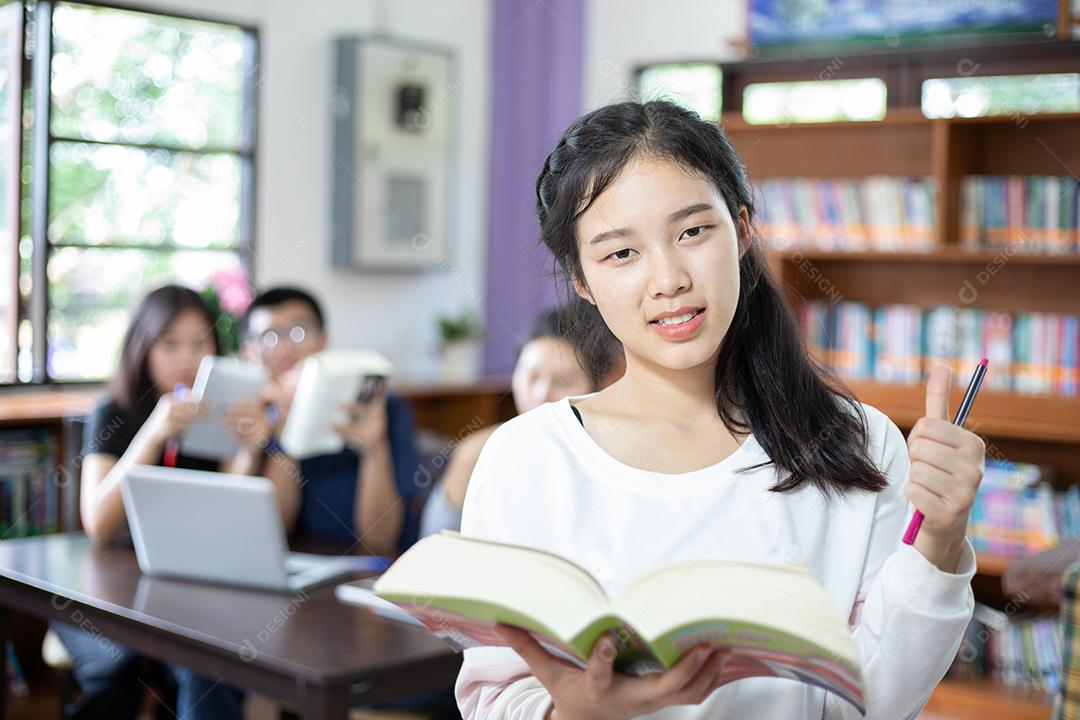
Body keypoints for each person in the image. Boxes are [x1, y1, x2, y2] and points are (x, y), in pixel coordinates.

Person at [455, 100, 985, 719]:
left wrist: (941, 541)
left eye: (693, 231)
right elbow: (496, 695)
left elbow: (877, 704)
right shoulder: (528, 458)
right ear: (580, 279)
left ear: (742, 229)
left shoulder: (859, 446)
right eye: (621, 253)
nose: (669, 278)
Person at [61, 285, 248, 720]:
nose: (187, 358)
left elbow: (228, 519)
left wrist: (247, 448)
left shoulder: (214, 419)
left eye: (200, 343)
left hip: (182, 590)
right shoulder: (116, 412)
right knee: (116, 669)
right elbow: (99, 524)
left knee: (208, 665)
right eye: (170, 344)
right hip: (105, 589)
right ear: (142, 348)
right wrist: (152, 434)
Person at [240, 287, 421, 555]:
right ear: (251, 353)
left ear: (323, 340)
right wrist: (288, 430)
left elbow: (380, 541)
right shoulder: (253, 418)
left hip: (365, 571)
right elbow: (273, 533)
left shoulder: (381, 408)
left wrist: (375, 448)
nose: (286, 347)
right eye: (269, 337)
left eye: (299, 331)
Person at [420, 302, 623, 536]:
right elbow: (434, 545)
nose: (541, 394)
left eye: (563, 381)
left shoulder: (607, 459)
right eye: (531, 376)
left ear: (598, 387)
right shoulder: (478, 452)